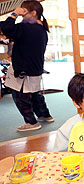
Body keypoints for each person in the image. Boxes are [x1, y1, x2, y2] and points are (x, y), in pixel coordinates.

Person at [0, 1, 53, 132]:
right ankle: (44, 115)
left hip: (24, 69)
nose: (22, 13)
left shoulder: (25, 28)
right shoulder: (41, 29)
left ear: (33, 13)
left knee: (20, 96)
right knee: (34, 93)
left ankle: (31, 122)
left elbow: (5, 27)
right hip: (35, 68)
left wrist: (14, 14)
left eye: (24, 11)